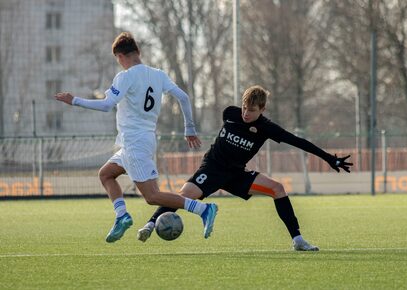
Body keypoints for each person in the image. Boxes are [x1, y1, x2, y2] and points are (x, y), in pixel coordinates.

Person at [137, 85, 352, 251]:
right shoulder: (230, 113)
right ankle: (150, 224)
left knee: (278, 189)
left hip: (236, 174)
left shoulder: (266, 128)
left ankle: (297, 240)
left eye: (251, 110)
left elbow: (298, 141)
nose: (245, 113)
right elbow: (234, 119)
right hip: (212, 168)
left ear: (262, 109)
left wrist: (328, 158)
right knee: (184, 195)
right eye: (244, 107)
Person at [55, 32, 217, 243]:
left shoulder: (126, 76)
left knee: (152, 196)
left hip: (134, 143)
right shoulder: (158, 74)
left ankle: (203, 209)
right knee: (106, 174)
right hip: (143, 140)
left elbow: (106, 105)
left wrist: (74, 100)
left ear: (120, 56)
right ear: (138, 52)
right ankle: (122, 216)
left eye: (118, 60)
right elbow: (184, 97)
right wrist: (189, 128)